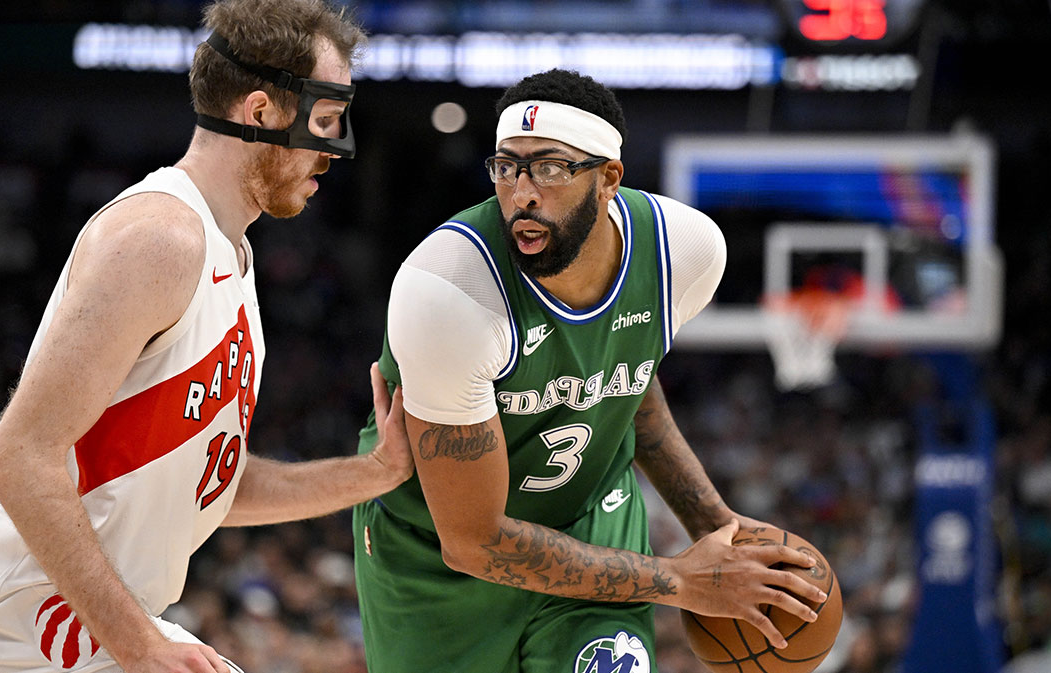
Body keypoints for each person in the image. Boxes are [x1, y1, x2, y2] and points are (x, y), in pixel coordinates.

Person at [0, 2, 413, 673]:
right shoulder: (162, 236)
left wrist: (375, 473)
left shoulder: (230, 257)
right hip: (32, 625)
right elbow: (19, 457)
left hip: (97, 625)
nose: (334, 151)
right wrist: (140, 644)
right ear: (261, 111)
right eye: (325, 122)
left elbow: (211, 488)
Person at [352, 68, 828, 673]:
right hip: (435, 559)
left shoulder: (684, 250)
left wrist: (718, 526)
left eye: (550, 167)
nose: (522, 192)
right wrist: (682, 580)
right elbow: (473, 539)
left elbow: (626, 378)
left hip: (592, 519)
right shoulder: (451, 291)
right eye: (506, 167)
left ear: (609, 180)